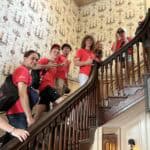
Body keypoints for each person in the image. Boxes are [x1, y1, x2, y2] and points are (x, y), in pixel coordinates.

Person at [1, 50, 39, 145]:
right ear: (25, 58)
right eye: (32, 58)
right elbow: (22, 94)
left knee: (13, 140)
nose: (35, 61)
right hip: (18, 112)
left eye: (37, 60)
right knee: (20, 142)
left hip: (17, 112)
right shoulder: (23, 70)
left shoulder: (27, 73)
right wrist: (29, 117)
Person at [35, 44, 64, 120]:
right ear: (50, 52)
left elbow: (52, 78)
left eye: (58, 52)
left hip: (47, 89)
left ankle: (30, 129)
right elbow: (35, 66)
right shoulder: (45, 60)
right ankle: (57, 121)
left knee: (39, 114)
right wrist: (47, 66)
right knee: (62, 101)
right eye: (54, 51)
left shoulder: (55, 65)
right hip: (45, 87)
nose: (56, 53)